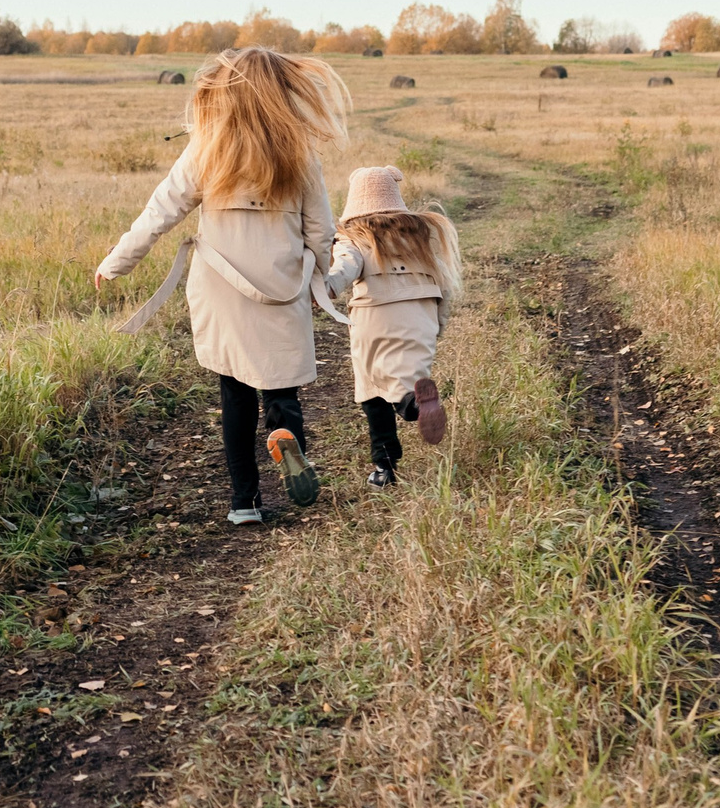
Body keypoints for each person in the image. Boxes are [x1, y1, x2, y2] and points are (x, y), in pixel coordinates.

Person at [96, 47, 346, 523]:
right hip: (281, 284)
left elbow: (160, 213)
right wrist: (317, 281)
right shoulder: (299, 150)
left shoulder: (206, 147)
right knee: (281, 387)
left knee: (233, 391)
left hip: (221, 287)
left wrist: (116, 263)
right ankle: (285, 434)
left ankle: (244, 503)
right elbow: (320, 231)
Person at [323, 165, 460, 485]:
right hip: (421, 312)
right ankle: (414, 401)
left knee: (373, 390)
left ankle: (385, 467)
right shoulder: (420, 236)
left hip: (375, 315)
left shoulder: (354, 236)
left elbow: (346, 266)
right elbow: (445, 283)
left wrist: (327, 289)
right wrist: (438, 323)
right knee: (408, 377)